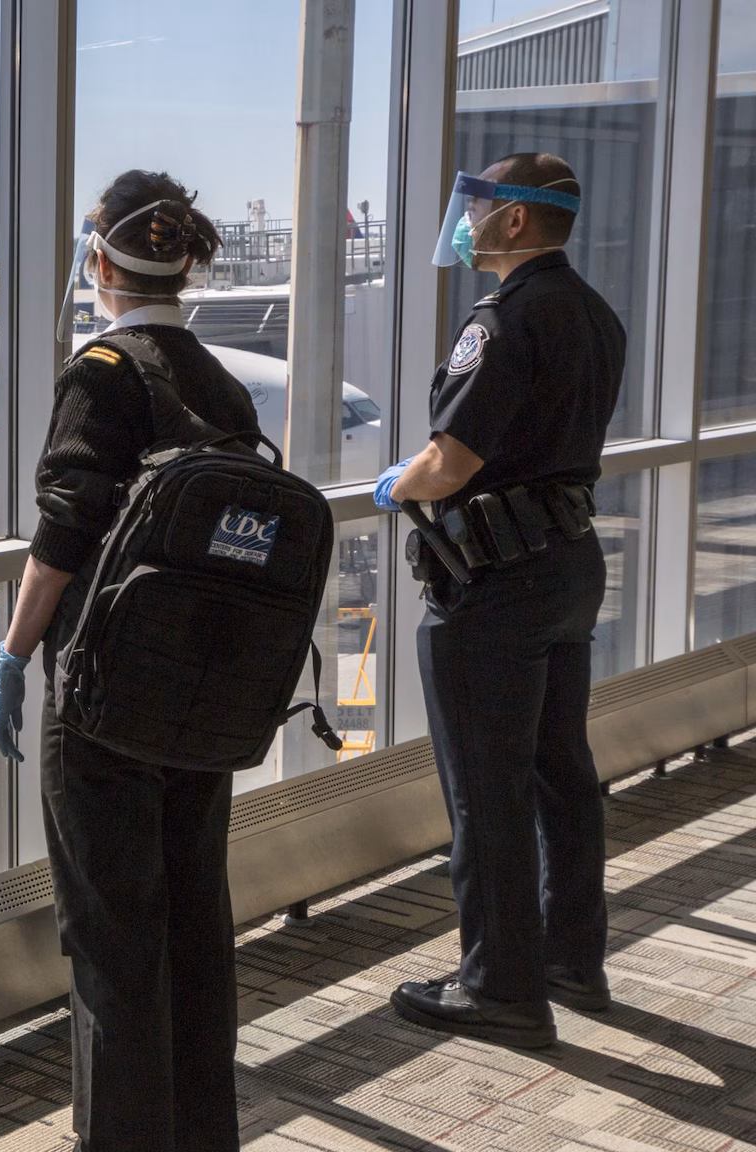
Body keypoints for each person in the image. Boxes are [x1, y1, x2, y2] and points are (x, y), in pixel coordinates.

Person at [0, 170, 257, 1152]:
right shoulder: (221, 383)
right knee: (194, 927)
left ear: (99, 261)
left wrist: (14, 653)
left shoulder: (101, 371)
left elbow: (63, 533)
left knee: (112, 945)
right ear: (184, 265)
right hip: (201, 701)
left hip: (105, 704)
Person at [376, 152, 623, 1048]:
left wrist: (399, 483)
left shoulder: (504, 318)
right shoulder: (593, 312)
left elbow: (452, 461)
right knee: (562, 774)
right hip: (568, 564)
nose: (465, 222)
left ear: (516, 219)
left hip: (496, 582)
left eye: (476, 206)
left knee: (487, 790)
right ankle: (570, 960)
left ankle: (499, 988)